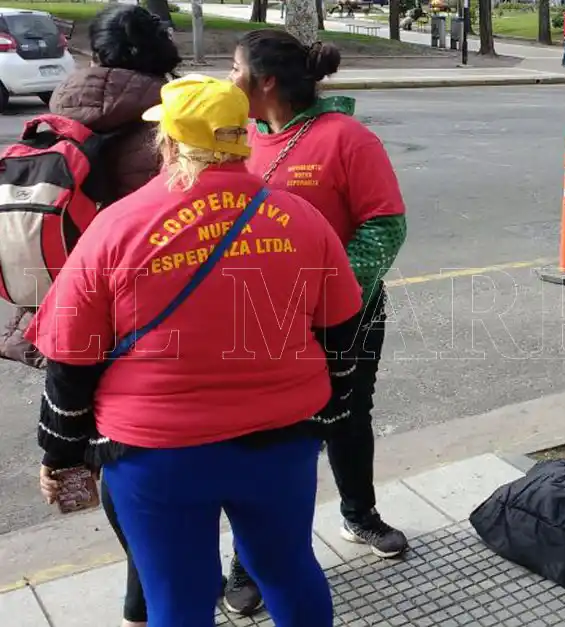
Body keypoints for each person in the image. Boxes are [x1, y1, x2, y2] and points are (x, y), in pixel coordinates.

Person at [30, 74, 360, 627]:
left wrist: (61, 455)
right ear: (242, 137)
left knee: (177, 598)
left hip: (157, 454)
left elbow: (70, 358)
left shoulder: (118, 226)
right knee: (288, 569)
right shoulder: (304, 220)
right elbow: (341, 334)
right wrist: (330, 419)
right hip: (280, 445)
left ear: (169, 142)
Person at [221, 29, 410, 615]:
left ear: (267, 81)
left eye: (235, 68)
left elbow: (386, 227)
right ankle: (248, 561)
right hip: (258, 322)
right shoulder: (234, 139)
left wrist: (329, 293)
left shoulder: (346, 138)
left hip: (343, 316)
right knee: (265, 439)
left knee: (347, 417)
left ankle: (359, 515)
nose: (229, 80)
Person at [0, 4, 180, 376]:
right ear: (163, 54)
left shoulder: (54, 121)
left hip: (56, 315)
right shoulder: (175, 130)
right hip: (141, 318)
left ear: (96, 55)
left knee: (70, 419)